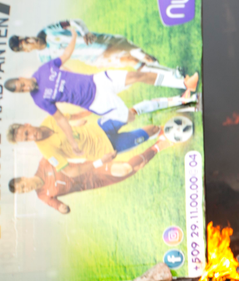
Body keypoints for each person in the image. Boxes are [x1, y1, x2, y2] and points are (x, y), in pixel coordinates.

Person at [4, 25, 197, 156]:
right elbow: (61, 119)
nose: (25, 88)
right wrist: (72, 142)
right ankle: (178, 104)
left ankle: (184, 85)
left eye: (22, 85)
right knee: (130, 116)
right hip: (96, 101)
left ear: (22, 79)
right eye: (22, 91)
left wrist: (73, 34)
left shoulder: (44, 69)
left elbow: (64, 55)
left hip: (98, 81)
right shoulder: (39, 99)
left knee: (135, 76)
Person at [9, 134, 175, 214]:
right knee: (132, 170)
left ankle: (158, 144)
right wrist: (62, 208)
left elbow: (68, 154)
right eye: (23, 191)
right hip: (91, 184)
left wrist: (94, 159)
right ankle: (157, 146)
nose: (26, 188)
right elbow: (56, 204)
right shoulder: (42, 195)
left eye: (23, 185)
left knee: (125, 168)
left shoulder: (44, 163)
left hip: (91, 167)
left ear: (24, 178)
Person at [10, 18, 182, 76]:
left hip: (100, 39)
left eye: (26, 38)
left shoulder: (47, 31)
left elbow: (74, 22)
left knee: (135, 51)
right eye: (26, 43)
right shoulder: (44, 58)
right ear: (26, 50)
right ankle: (172, 73)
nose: (30, 40)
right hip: (95, 57)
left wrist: (84, 32)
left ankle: (159, 67)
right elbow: (62, 69)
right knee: (130, 60)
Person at [7, 112, 159, 177]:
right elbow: (72, 172)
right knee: (151, 130)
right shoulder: (47, 151)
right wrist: (101, 161)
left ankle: (174, 100)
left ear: (27, 125)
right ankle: (164, 132)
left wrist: (76, 122)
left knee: (129, 112)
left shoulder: (49, 120)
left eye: (27, 133)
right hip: (106, 147)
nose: (32, 136)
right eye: (27, 139)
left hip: (99, 127)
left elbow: (76, 116)